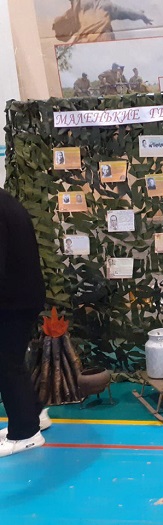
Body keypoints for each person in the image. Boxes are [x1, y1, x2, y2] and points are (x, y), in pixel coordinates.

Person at [0, 188, 50, 457]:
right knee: (12, 362)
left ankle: (25, 433)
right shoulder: (5, 200)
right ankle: (34, 414)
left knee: (6, 364)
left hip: (11, 301)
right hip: (21, 296)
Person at [53, 0, 152, 44]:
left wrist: (140, 15)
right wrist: (141, 15)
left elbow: (126, 12)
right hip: (97, 39)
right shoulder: (107, 5)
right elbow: (127, 12)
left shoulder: (106, 5)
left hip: (92, 39)